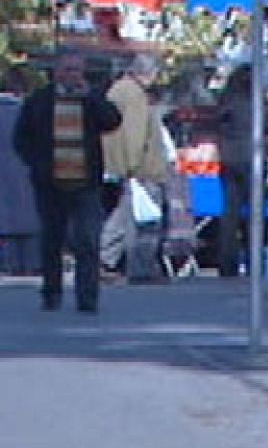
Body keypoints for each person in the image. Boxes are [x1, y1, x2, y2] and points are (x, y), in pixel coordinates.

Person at [11, 49, 123, 312]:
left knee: (87, 240)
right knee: (52, 240)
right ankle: (51, 293)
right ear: (57, 72)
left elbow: (113, 121)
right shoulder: (40, 100)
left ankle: (87, 298)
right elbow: (21, 138)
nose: (74, 75)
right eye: (68, 70)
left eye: (77, 70)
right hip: (50, 182)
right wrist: (37, 165)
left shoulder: (91, 99)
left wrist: (91, 98)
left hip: (85, 181)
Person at [100, 53, 170, 281]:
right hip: (143, 168)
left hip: (127, 167)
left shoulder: (119, 90)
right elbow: (135, 133)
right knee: (145, 221)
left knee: (125, 217)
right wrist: (133, 165)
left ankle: (105, 260)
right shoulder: (134, 95)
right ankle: (140, 269)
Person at [214, 64, 254, 278]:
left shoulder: (227, 101)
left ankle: (227, 263)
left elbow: (218, 122)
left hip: (229, 159)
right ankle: (252, 259)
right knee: (252, 214)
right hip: (250, 159)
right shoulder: (254, 103)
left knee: (229, 215)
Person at [0, 66, 41, 276]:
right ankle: (32, 266)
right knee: (31, 219)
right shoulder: (30, 113)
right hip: (28, 176)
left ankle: (8, 265)